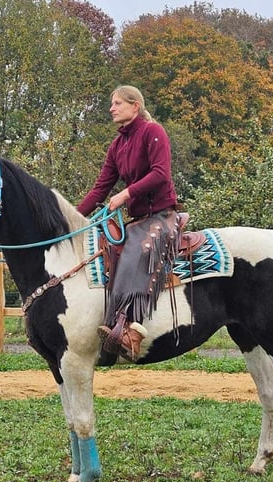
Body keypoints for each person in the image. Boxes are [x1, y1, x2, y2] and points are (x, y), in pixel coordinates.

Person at [77, 85, 181, 361]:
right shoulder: (117, 145)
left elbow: (161, 173)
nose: (112, 108)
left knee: (136, 252)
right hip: (138, 220)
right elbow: (100, 189)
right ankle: (111, 325)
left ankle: (130, 331)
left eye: (118, 103)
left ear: (135, 106)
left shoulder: (152, 132)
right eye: (112, 104)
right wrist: (73, 219)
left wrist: (126, 193)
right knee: (114, 250)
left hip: (161, 215)